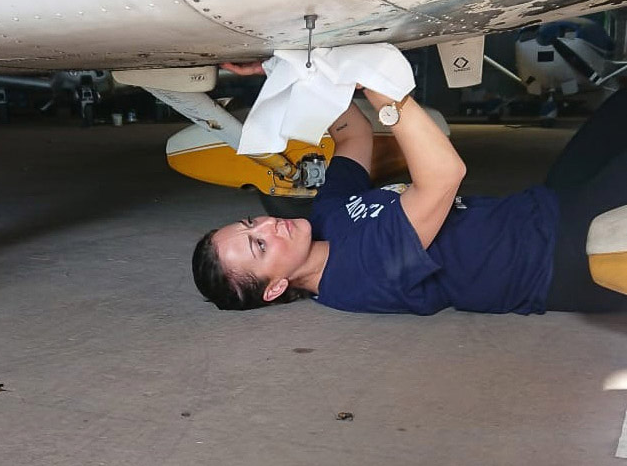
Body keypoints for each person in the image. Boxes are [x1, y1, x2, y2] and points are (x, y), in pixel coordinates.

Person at [192, 61, 627, 314]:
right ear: (275, 288)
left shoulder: (326, 220)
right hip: (565, 254)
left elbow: (351, 135)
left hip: (545, 205)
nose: (268, 225)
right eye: (259, 246)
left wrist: (289, 72)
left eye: (250, 222)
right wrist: (377, 84)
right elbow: (444, 175)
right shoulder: (358, 277)